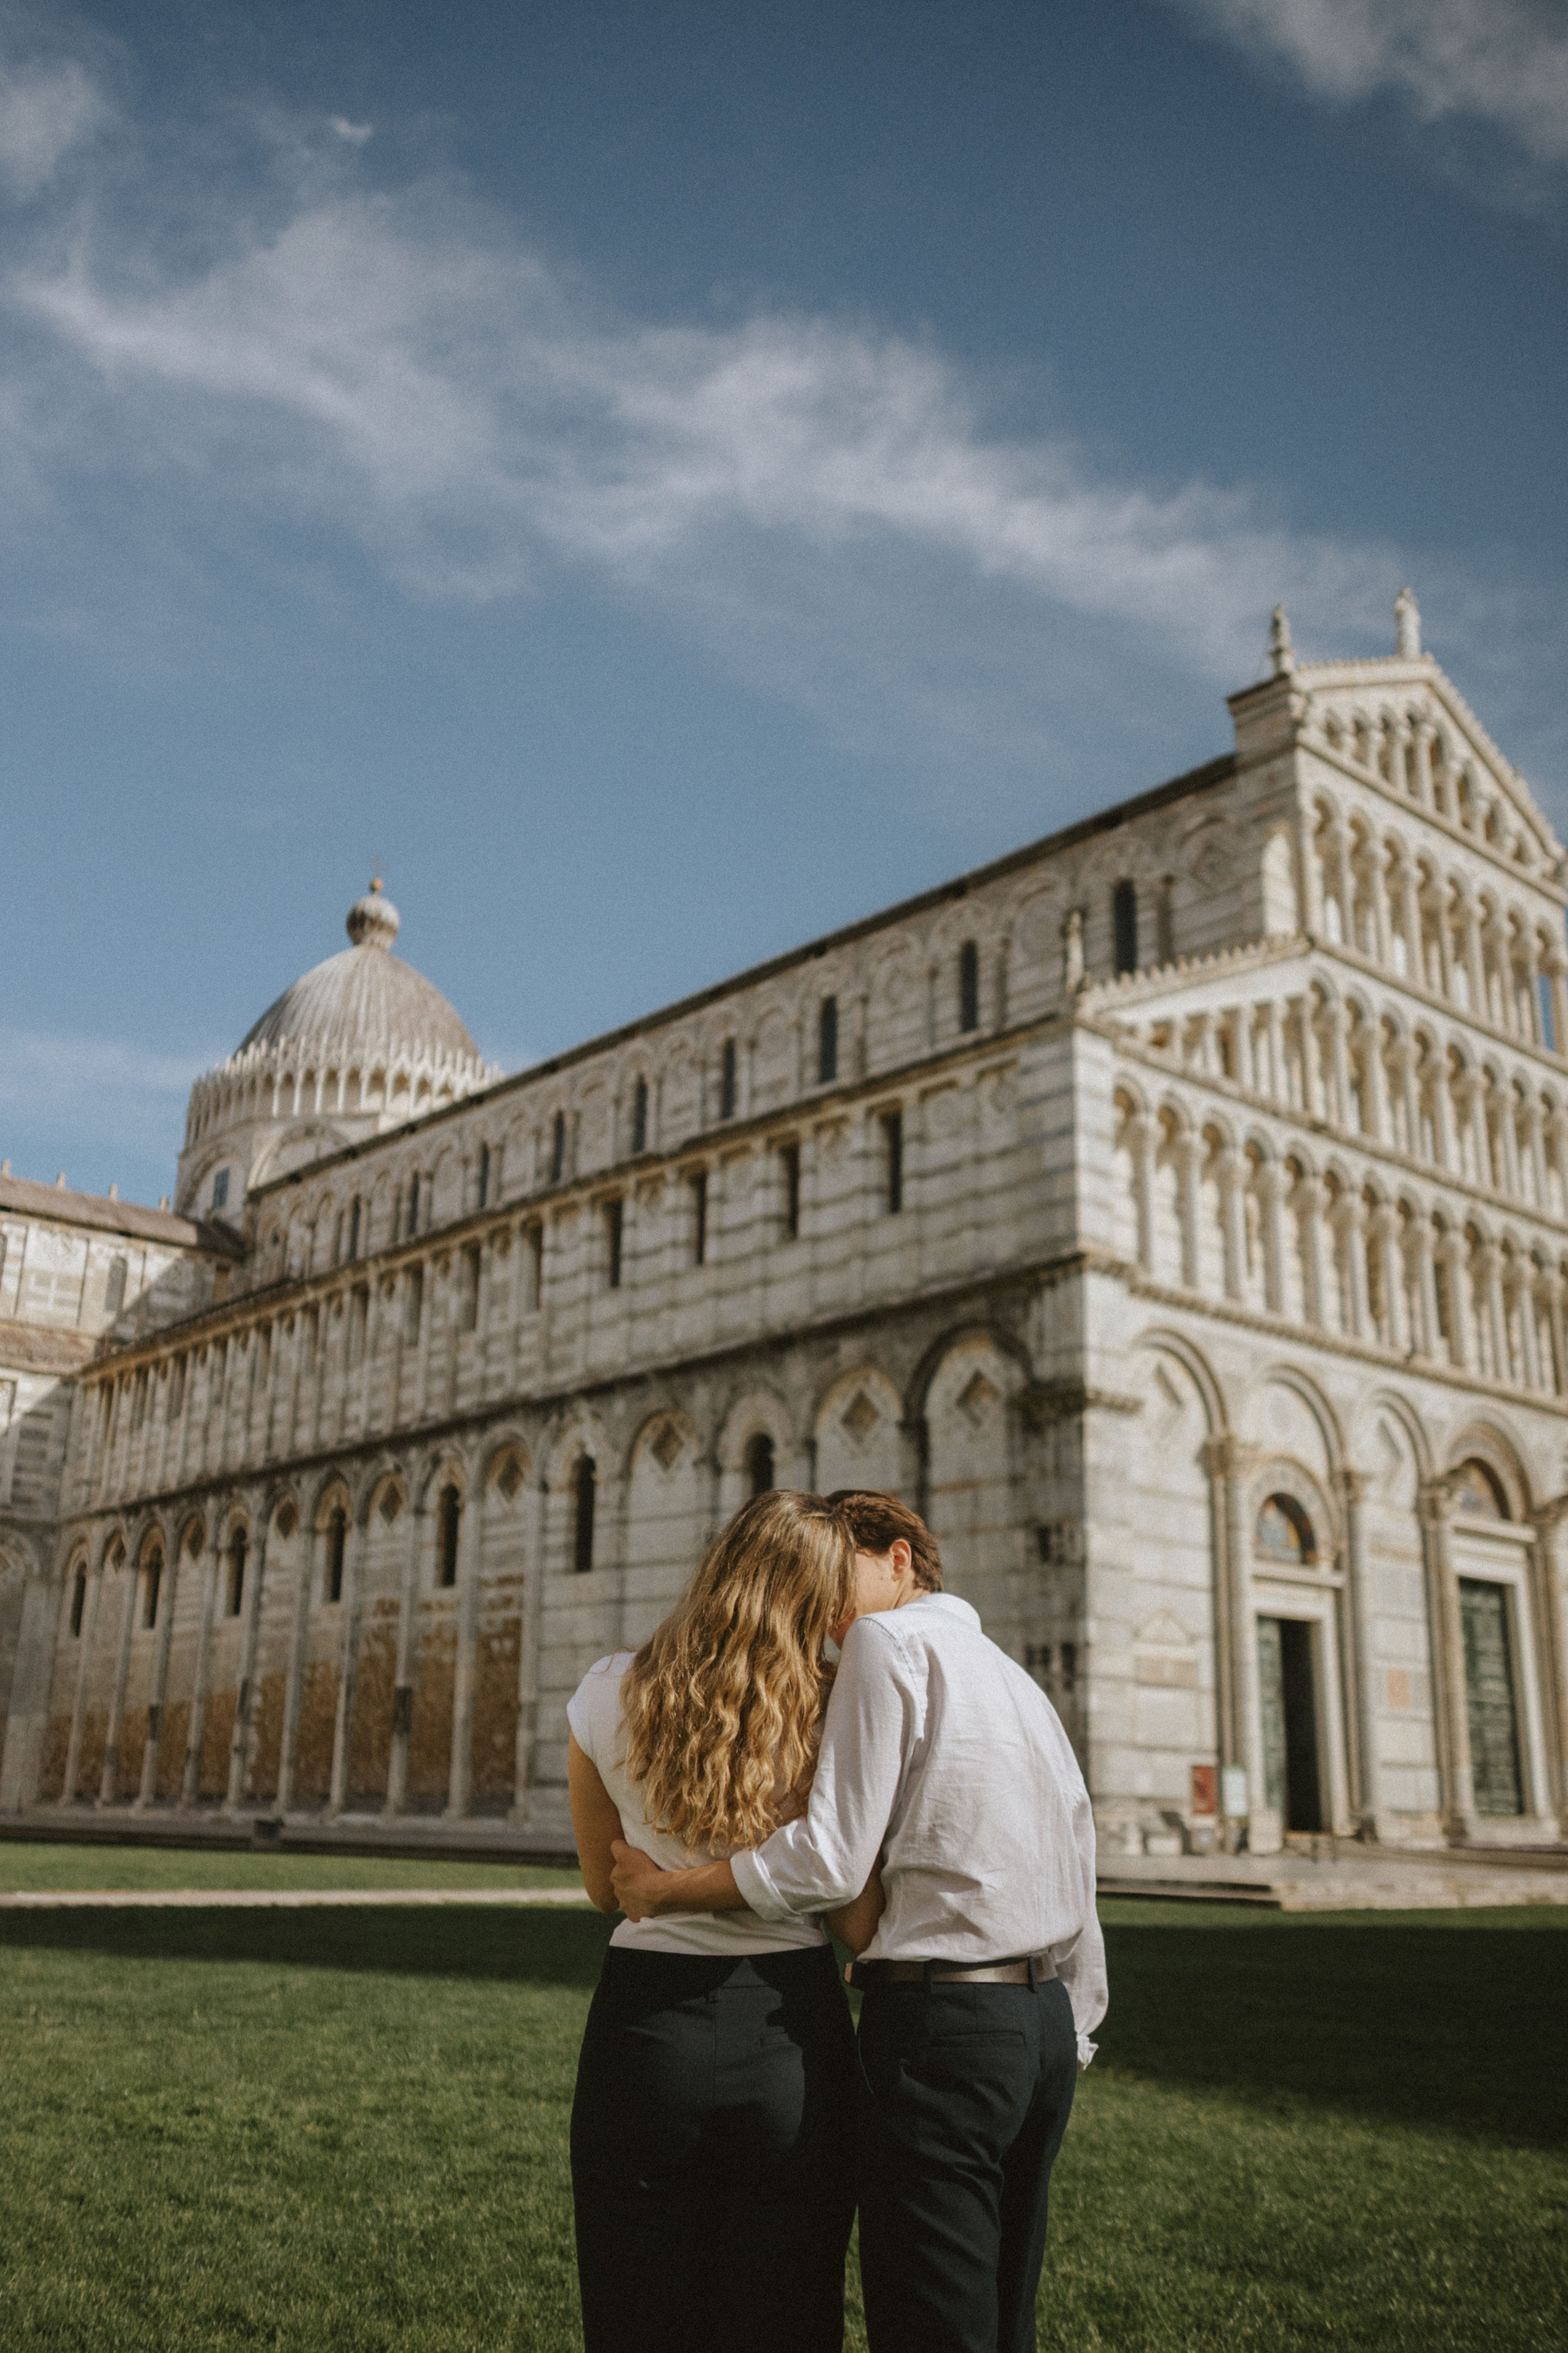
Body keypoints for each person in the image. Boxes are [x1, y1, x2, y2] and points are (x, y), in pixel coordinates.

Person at [612, 1489, 1107, 2353]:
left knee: (932, 2321)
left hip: (945, 2027)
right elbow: (1077, 1854)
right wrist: (1072, 2027)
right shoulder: (1016, 1677)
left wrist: (666, 1890)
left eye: (834, 1580)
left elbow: (830, 1860)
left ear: (898, 1559)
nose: (823, 1611)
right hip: (1044, 2029)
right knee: (1006, 2320)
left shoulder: (884, 1641)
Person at [567, 1487, 877, 2353]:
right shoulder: (834, 1709)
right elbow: (852, 1906)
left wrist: (663, 1876)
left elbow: (603, 1886)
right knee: (787, 2314)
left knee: (639, 2310)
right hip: (789, 2027)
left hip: (645, 2028)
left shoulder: (606, 1691)